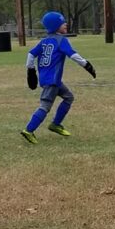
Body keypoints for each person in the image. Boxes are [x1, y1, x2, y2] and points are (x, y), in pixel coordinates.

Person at [21, 11, 97, 144]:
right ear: (55, 26)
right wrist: (87, 65)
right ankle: (29, 130)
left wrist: (31, 70)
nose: (65, 24)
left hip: (49, 80)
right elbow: (72, 55)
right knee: (45, 106)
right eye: (62, 23)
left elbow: (30, 54)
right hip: (53, 81)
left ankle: (56, 124)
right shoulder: (61, 40)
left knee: (68, 97)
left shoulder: (43, 41)